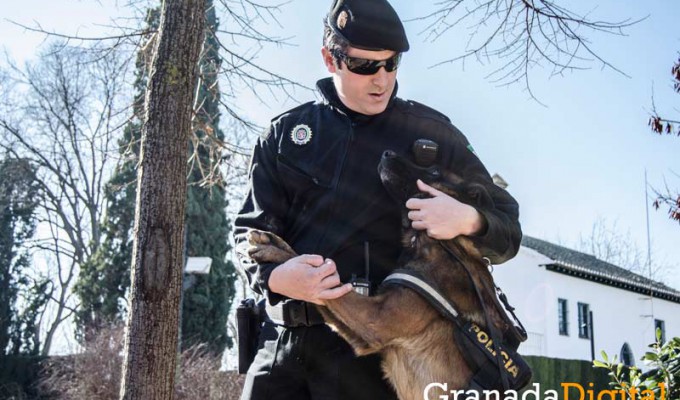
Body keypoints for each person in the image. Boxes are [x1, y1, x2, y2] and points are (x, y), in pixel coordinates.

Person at [233, 0, 522, 398]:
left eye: (391, 64)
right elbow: (251, 232)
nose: (382, 79)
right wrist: (278, 278)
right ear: (329, 59)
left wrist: (467, 219)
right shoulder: (287, 134)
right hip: (283, 349)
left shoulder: (433, 134)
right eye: (365, 66)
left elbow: (508, 229)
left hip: (379, 364)